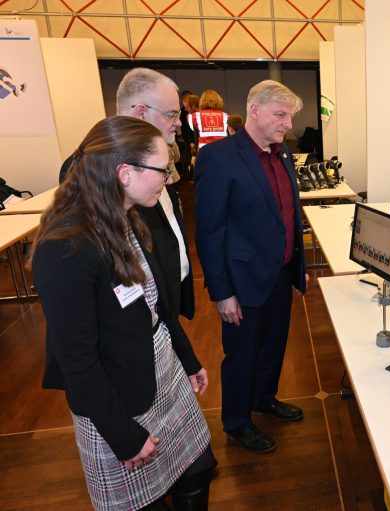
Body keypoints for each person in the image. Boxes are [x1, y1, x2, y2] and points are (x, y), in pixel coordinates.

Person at [31, 116, 216, 510]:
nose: (170, 178)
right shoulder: (66, 247)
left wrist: (187, 359)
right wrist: (123, 436)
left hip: (161, 371)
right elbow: (77, 360)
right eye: (163, 169)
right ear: (125, 173)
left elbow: (157, 305)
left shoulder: (125, 216)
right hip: (117, 398)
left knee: (198, 469)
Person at [195, 80, 308, 453]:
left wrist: (297, 263)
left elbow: (288, 215)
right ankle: (237, 421)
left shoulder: (283, 154)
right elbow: (209, 232)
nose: (288, 124)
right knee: (242, 355)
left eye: (289, 116)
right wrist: (222, 292)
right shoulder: (219, 157)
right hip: (242, 281)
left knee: (274, 344)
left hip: (280, 273)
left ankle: (264, 397)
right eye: (281, 115)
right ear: (254, 110)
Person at [59, 67, 195, 321]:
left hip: (166, 298)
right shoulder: (92, 165)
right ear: (141, 113)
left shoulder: (157, 155)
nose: (178, 122)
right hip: (136, 313)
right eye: (171, 114)